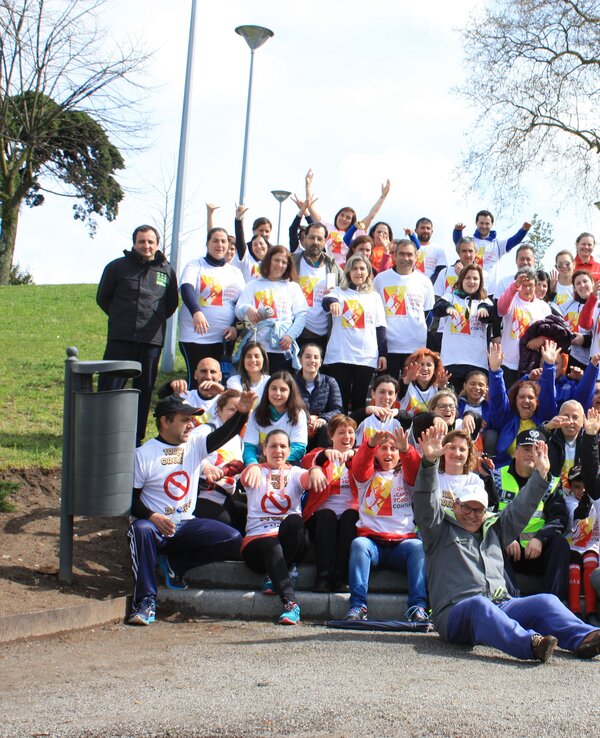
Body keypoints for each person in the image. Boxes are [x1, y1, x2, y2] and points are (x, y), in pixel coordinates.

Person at [414, 426, 600, 662]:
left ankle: (585, 638)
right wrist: (429, 463)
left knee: (546, 601)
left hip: (500, 603)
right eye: (467, 507)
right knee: (479, 605)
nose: (472, 514)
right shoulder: (438, 529)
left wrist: (541, 475)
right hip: (456, 611)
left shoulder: (494, 528)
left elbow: (521, 509)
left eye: (478, 510)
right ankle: (531, 644)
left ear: (486, 510)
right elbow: (424, 501)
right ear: (456, 506)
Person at [126, 392, 255, 625]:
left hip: (185, 524)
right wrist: (152, 516)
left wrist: (242, 413)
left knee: (233, 538)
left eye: (192, 419)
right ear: (165, 421)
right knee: (140, 529)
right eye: (185, 419)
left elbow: (226, 433)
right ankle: (145, 602)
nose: (191, 424)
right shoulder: (143, 455)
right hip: (154, 528)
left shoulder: (195, 443)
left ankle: (175, 565)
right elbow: (130, 500)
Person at [96, 225, 178, 446]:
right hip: (121, 338)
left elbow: (171, 304)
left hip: (151, 342)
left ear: (157, 245)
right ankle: (102, 433)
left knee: (144, 389)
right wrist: (121, 318)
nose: (146, 245)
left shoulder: (167, 271)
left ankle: (136, 438)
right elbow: (103, 297)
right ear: (134, 243)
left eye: (151, 242)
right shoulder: (117, 267)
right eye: (142, 241)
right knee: (111, 386)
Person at [240, 430, 327, 625]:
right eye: (272, 446)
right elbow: (246, 478)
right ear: (264, 449)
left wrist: (315, 469)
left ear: (289, 451)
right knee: (271, 544)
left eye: (282, 446)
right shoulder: (256, 470)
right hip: (257, 545)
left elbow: (309, 479)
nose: (278, 450)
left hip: (288, 543)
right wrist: (252, 465)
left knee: (295, 521)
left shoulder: (295, 473)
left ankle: (274, 575)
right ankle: (291, 603)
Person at [344, 428, 429, 623]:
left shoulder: (406, 477)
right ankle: (358, 606)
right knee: (358, 544)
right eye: (384, 448)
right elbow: (359, 466)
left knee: (419, 547)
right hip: (372, 544)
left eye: (393, 449)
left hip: (402, 545)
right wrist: (369, 446)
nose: (389, 453)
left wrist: (406, 449)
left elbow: (415, 468)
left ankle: (418, 607)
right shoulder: (365, 477)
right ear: (376, 452)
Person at [488, 429, 570, 602]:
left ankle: (555, 604)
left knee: (560, 544)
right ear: (516, 451)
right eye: (526, 449)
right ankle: (510, 603)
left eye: (537, 450)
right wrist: (506, 537)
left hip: (537, 550)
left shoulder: (552, 483)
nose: (531, 454)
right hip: (507, 550)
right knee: (493, 543)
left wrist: (540, 538)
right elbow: (487, 514)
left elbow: (559, 518)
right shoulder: (496, 478)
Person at [178, 227, 244, 389]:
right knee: (197, 383)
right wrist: (196, 312)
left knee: (219, 384)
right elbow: (186, 288)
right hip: (195, 337)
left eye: (223, 241)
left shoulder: (235, 272)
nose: (220, 245)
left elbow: (242, 304)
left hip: (223, 340)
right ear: (207, 244)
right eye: (215, 240)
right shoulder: (196, 265)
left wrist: (236, 327)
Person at [322, 253, 387, 413]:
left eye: (362, 269)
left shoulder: (374, 297)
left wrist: (383, 354)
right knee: (340, 400)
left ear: (368, 272)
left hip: (366, 356)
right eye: (355, 269)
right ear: (348, 272)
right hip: (340, 355)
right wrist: (333, 302)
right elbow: (326, 301)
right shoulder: (338, 292)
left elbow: (380, 327)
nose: (358, 272)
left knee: (359, 400)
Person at [302, 414, 359, 591]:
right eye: (341, 432)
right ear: (331, 436)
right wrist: (321, 459)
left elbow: (370, 462)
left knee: (351, 516)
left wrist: (355, 454)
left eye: (350, 432)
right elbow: (306, 461)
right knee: (327, 515)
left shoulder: (360, 455)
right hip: (321, 516)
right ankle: (323, 577)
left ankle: (341, 577)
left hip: (350, 514)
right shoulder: (320, 454)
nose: (347, 436)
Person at [235, 245, 308, 372]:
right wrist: (247, 309)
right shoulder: (253, 285)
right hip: (257, 349)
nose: (280, 265)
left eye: (284, 262)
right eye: (276, 260)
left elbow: (301, 315)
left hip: (282, 348)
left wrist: (290, 336)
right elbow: (238, 310)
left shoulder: (292, 287)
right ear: (268, 261)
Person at [373, 238, 435, 381]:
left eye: (409, 254)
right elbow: (376, 313)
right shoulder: (381, 279)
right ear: (394, 255)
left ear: (416, 256)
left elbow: (428, 314)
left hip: (416, 348)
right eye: (401, 254)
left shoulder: (424, 281)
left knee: (411, 390)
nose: (405, 258)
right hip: (389, 347)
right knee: (389, 388)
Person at [305, 168, 391, 267]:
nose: (344, 219)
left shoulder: (357, 231)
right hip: (327, 266)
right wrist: (308, 185)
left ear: (352, 221)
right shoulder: (327, 227)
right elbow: (310, 206)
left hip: (348, 268)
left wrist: (382, 197)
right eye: (342, 215)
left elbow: (371, 215)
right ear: (337, 216)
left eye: (348, 217)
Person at [487, 342, 555, 466]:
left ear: (537, 401)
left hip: (535, 470)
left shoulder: (544, 419)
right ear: (515, 400)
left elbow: (548, 394)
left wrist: (549, 366)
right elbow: (498, 398)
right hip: (507, 469)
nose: (526, 400)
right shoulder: (506, 419)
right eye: (522, 397)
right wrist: (495, 371)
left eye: (530, 397)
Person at [194, 389, 247, 533]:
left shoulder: (238, 439)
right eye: (232, 409)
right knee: (228, 526)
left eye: (239, 411)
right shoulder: (204, 431)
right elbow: (182, 454)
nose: (235, 415)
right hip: (201, 496)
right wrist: (204, 466)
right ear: (219, 410)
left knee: (250, 518)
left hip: (226, 497)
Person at [434, 263, 493, 394]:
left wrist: (484, 309)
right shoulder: (451, 296)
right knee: (451, 400)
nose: (471, 281)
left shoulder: (485, 301)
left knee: (474, 402)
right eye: (467, 278)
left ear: (480, 282)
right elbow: (437, 308)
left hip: (477, 364)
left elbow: (492, 315)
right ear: (461, 280)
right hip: (452, 362)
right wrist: (448, 308)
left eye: (475, 278)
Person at [291, 221, 344, 351]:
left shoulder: (333, 266)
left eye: (319, 239)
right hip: (295, 331)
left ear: (325, 241)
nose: (315, 242)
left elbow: (346, 290)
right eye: (312, 237)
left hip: (324, 334)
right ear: (304, 239)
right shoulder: (292, 262)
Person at [452, 210, 531, 296]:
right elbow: (459, 245)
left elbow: (514, 240)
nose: (484, 226)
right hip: (471, 287)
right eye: (481, 223)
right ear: (476, 223)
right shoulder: (470, 242)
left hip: (491, 292)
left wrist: (524, 230)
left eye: (487, 223)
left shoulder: (498, 244)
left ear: (492, 224)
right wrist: (457, 231)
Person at [497, 267, 552, 387]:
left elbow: (552, 333)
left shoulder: (544, 307)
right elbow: (501, 309)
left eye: (530, 285)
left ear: (535, 286)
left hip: (531, 365)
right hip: (508, 364)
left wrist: (542, 339)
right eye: (524, 285)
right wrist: (513, 287)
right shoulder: (512, 299)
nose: (527, 289)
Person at [242, 371, 308, 466]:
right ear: (267, 390)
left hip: (287, 463)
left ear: (290, 392)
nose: (277, 393)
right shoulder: (256, 414)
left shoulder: (298, 414)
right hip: (259, 464)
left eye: (283, 390)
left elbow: (299, 448)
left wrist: (276, 463)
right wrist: (253, 466)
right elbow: (249, 447)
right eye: (273, 388)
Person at [564, 466, 600, 626]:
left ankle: (591, 612)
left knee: (590, 561)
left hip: (592, 545)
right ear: (570, 487)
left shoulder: (597, 499)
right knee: (574, 568)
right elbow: (578, 513)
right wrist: (586, 501)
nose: (582, 490)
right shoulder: (568, 501)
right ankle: (575, 611)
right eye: (577, 486)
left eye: (586, 486)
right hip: (572, 545)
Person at [294, 343, 343, 450]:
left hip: (322, 428)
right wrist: (306, 419)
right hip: (298, 426)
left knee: (326, 428)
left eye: (316, 357)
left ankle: (323, 458)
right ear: (300, 360)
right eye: (307, 357)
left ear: (320, 362)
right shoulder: (291, 383)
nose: (312, 360)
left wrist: (323, 419)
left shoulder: (330, 382)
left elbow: (337, 409)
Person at [233, 204, 271, 281]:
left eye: (267, 231)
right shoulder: (246, 253)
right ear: (253, 231)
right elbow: (240, 239)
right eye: (261, 230)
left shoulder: (274, 254)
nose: (264, 234)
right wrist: (238, 219)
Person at [406, 217, 448, 283]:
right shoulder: (408, 248)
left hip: (431, 286)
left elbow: (441, 271)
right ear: (416, 230)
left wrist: (428, 284)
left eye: (428, 228)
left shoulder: (439, 250)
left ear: (432, 231)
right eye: (422, 228)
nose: (425, 231)